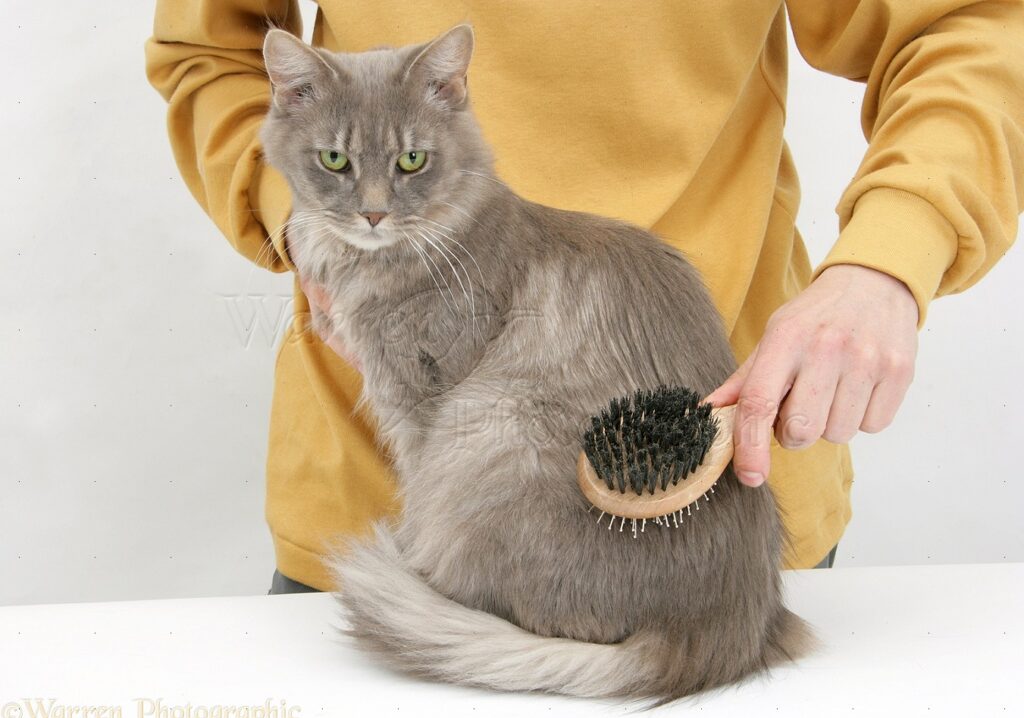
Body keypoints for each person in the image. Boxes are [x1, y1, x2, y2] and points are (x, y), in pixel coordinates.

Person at [145, 1, 1024, 592]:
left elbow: (969, 24)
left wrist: (888, 258)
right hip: (364, 499)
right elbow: (208, 47)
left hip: (714, 492)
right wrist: (303, 224)